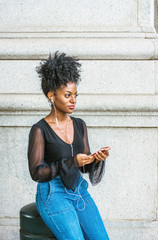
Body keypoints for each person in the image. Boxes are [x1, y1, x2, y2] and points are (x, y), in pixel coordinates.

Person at [28, 51, 110, 240]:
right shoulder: (39, 130)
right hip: (52, 193)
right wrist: (72, 161)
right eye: (67, 95)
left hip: (78, 190)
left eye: (75, 95)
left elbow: (84, 166)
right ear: (51, 96)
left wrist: (95, 159)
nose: (73, 100)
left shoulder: (80, 124)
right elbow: (36, 173)